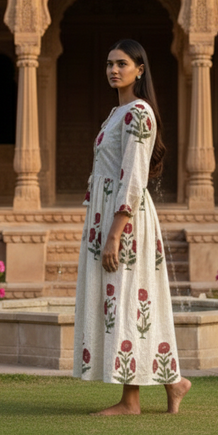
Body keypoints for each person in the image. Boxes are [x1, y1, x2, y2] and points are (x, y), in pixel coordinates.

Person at [73, 39, 191, 415]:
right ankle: (174, 382)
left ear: (140, 70)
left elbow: (134, 177)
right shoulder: (116, 114)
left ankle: (131, 401)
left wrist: (115, 232)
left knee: (125, 299)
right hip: (107, 216)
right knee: (124, 300)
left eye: (122, 64)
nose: (113, 70)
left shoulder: (139, 112)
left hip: (125, 221)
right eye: (109, 64)